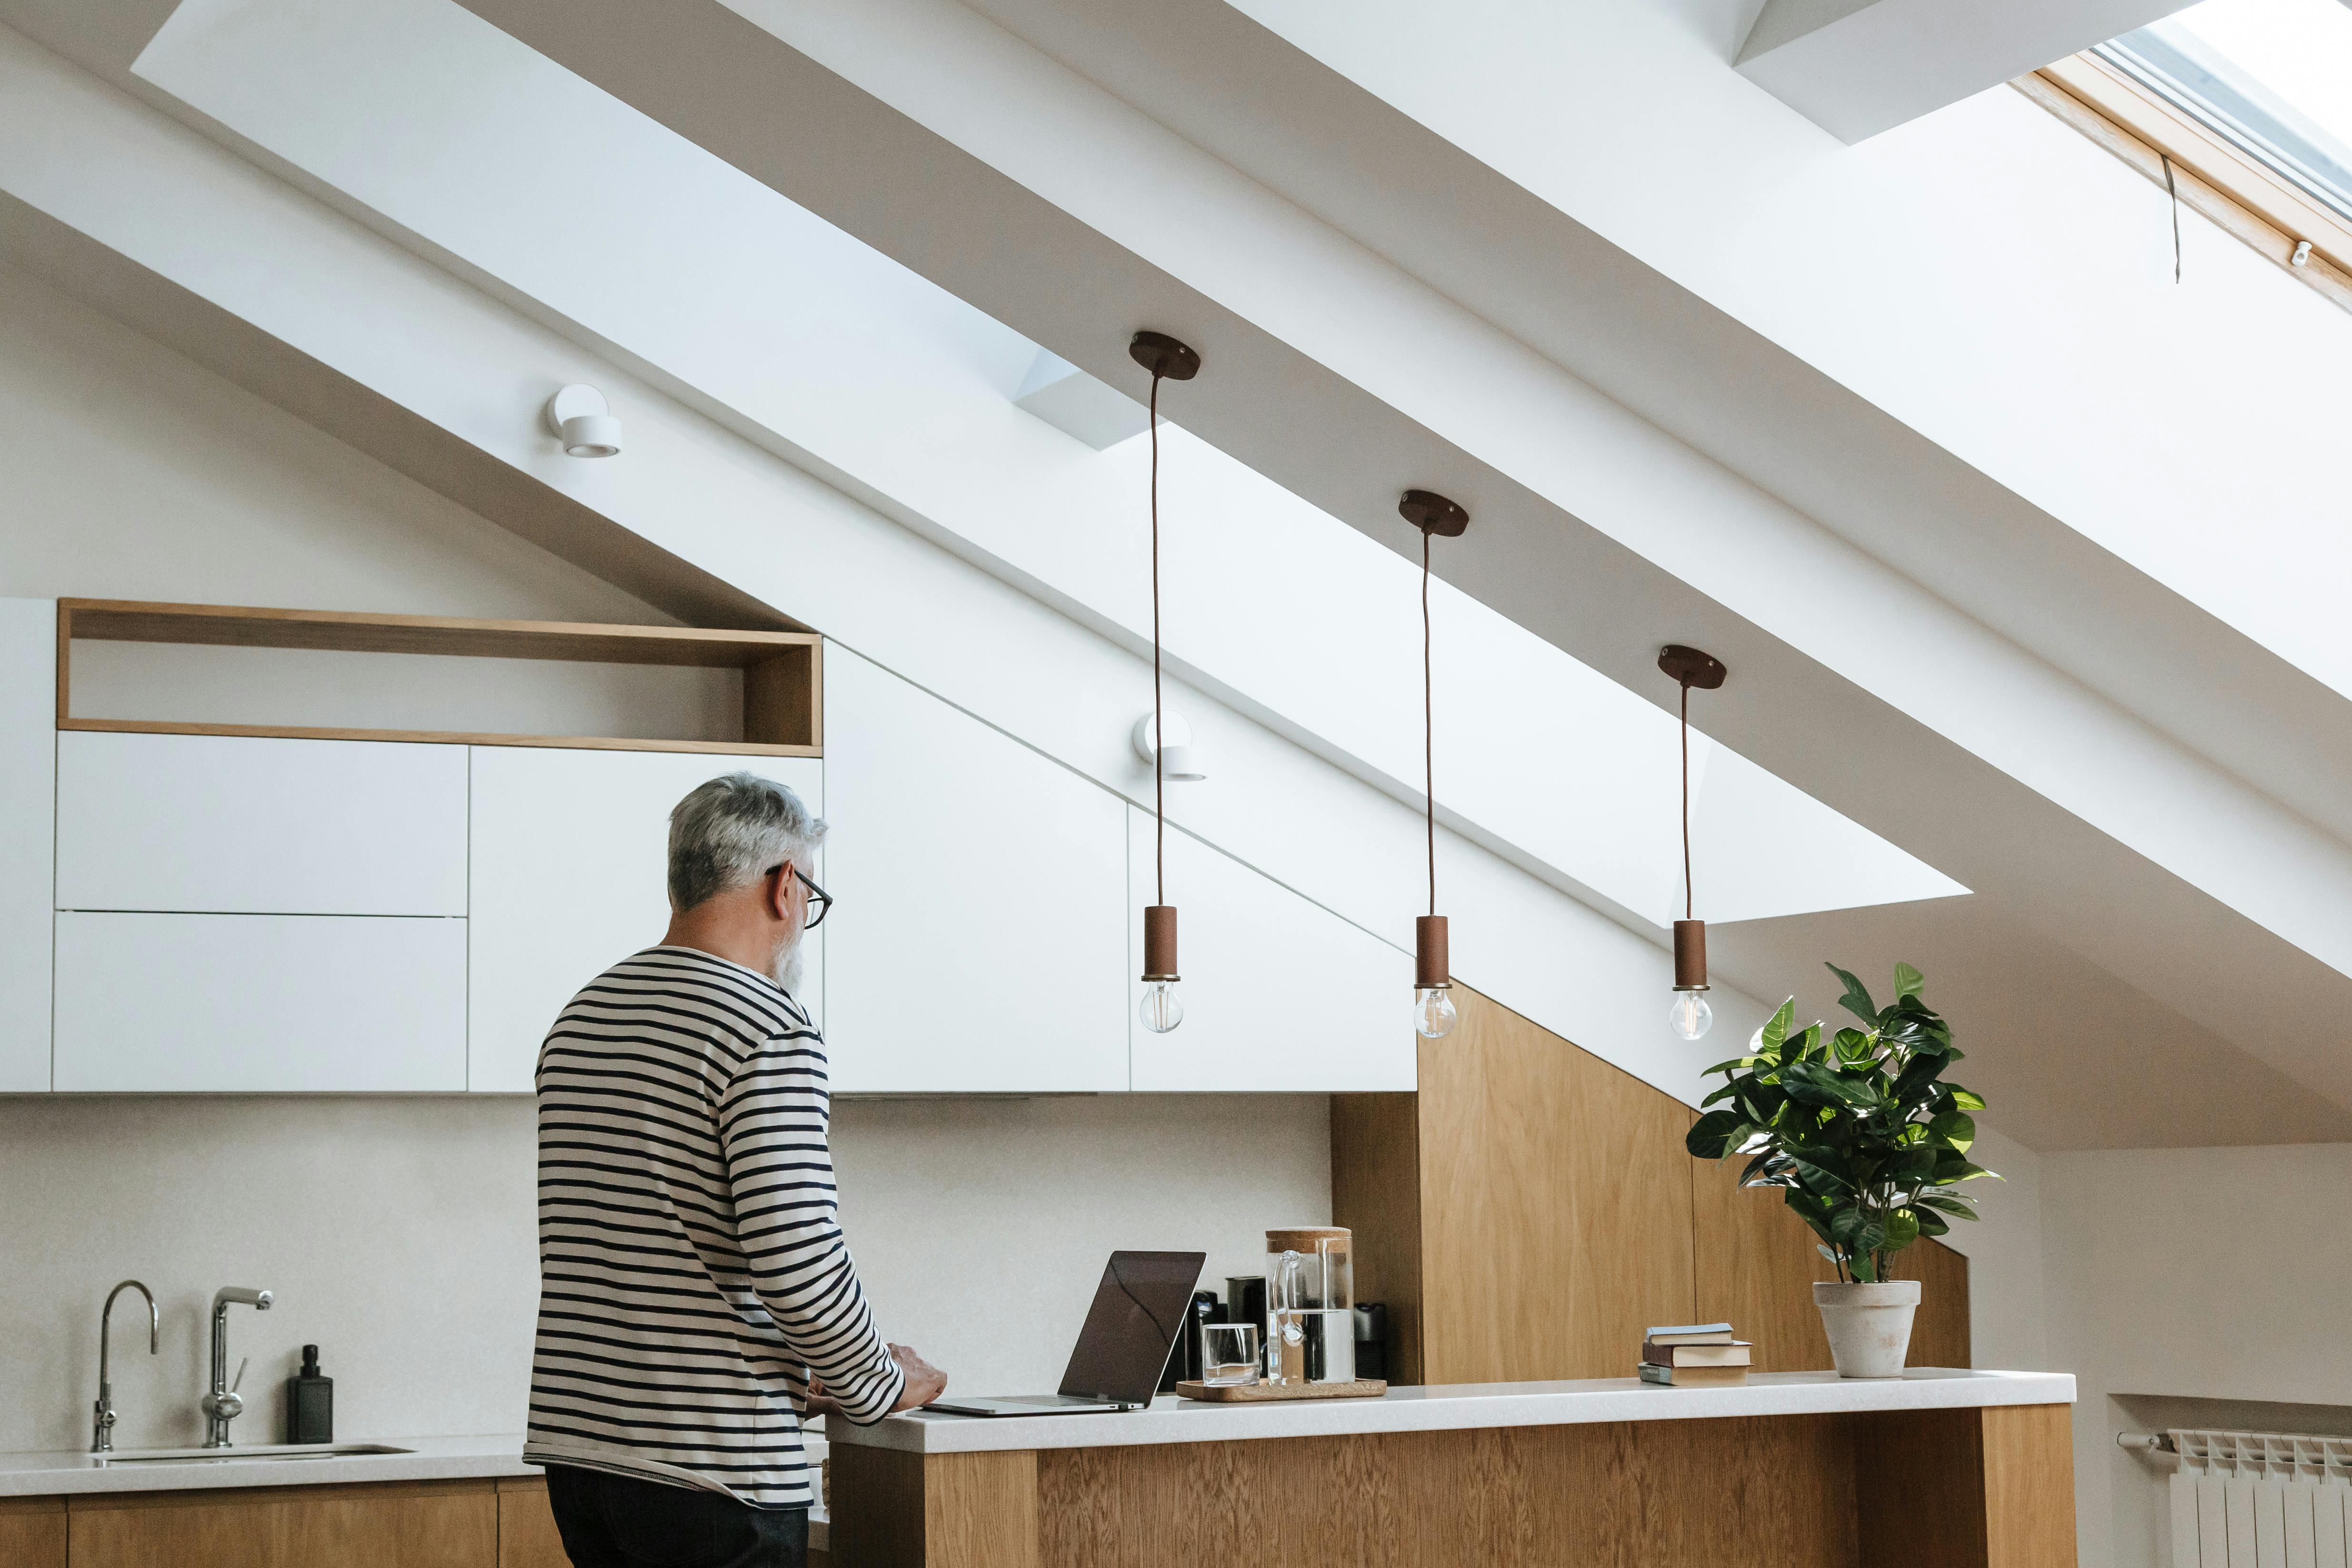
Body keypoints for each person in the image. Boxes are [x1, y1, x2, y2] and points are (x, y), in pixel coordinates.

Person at [523, 772, 946, 1568]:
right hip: (714, 1469)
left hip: (583, 1458)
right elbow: (797, 1259)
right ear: (786, 886)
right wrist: (877, 1382)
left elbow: (633, 1242)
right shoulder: (766, 1024)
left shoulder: (582, 1015)